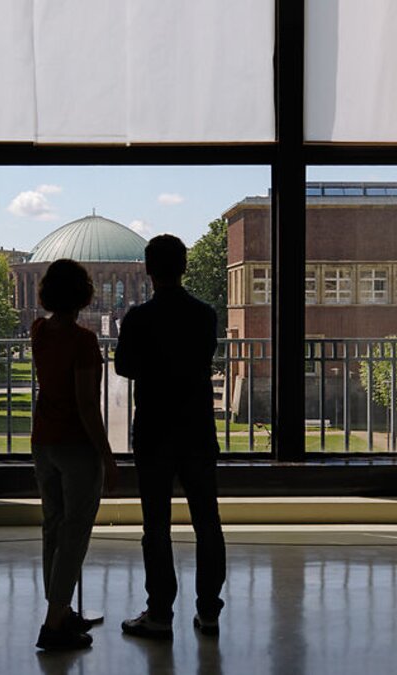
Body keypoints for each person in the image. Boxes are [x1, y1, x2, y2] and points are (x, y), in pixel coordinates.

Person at [115, 234, 226, 640]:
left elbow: (124, 367)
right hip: (196, 427)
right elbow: (203, 358)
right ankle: (209, 612)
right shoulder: (204, 314)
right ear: (184, 267)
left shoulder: (138, 317)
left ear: (148, 269)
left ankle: (160, 612)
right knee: (207, 523)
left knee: (156, 525)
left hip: (155, 429)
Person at [31, 259, 118, 651]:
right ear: (83, 295)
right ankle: (54, 624)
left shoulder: (38, 330)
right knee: (75, 533)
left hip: (44, 443)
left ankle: (61, 611)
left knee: (54, 526)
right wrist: (108, 455)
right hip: (75, 446)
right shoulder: (83, 341)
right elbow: (86, 405)